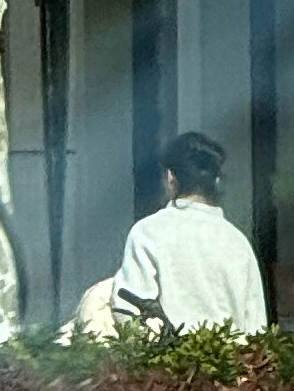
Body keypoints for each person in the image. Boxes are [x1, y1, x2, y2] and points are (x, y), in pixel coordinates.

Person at [111, 131, 269, 336]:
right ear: (217, 181)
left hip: (167, 364)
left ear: (170, 176)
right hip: (233, 364)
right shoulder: (237, 241)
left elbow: (129, 310)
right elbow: (256, 326)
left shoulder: (148, 232)